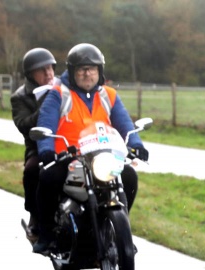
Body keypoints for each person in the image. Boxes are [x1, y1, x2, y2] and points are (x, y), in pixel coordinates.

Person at [32, 43, 148, 254]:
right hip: (68, 157)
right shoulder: (59, 94)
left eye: (92, 69)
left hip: (103, 155)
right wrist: (46, 151)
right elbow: (46, 124)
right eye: (82, 69)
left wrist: (136, 145)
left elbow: (125, 124)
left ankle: (121, 232)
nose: (87, 74)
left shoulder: (108, 95)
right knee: (48, 178)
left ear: (99, 71)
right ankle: (46, 234)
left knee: (129, 176)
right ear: (72, 71)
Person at [11, 47, 58, 241]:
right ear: (31, 74)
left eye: (50, 68)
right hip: (38, 146)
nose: (49, 73)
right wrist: (46, 107)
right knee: (32, 170)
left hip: (68, 143)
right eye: (42, 70)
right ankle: (35, 217)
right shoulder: (20, 97)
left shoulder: (61, 88)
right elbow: (23, 125)